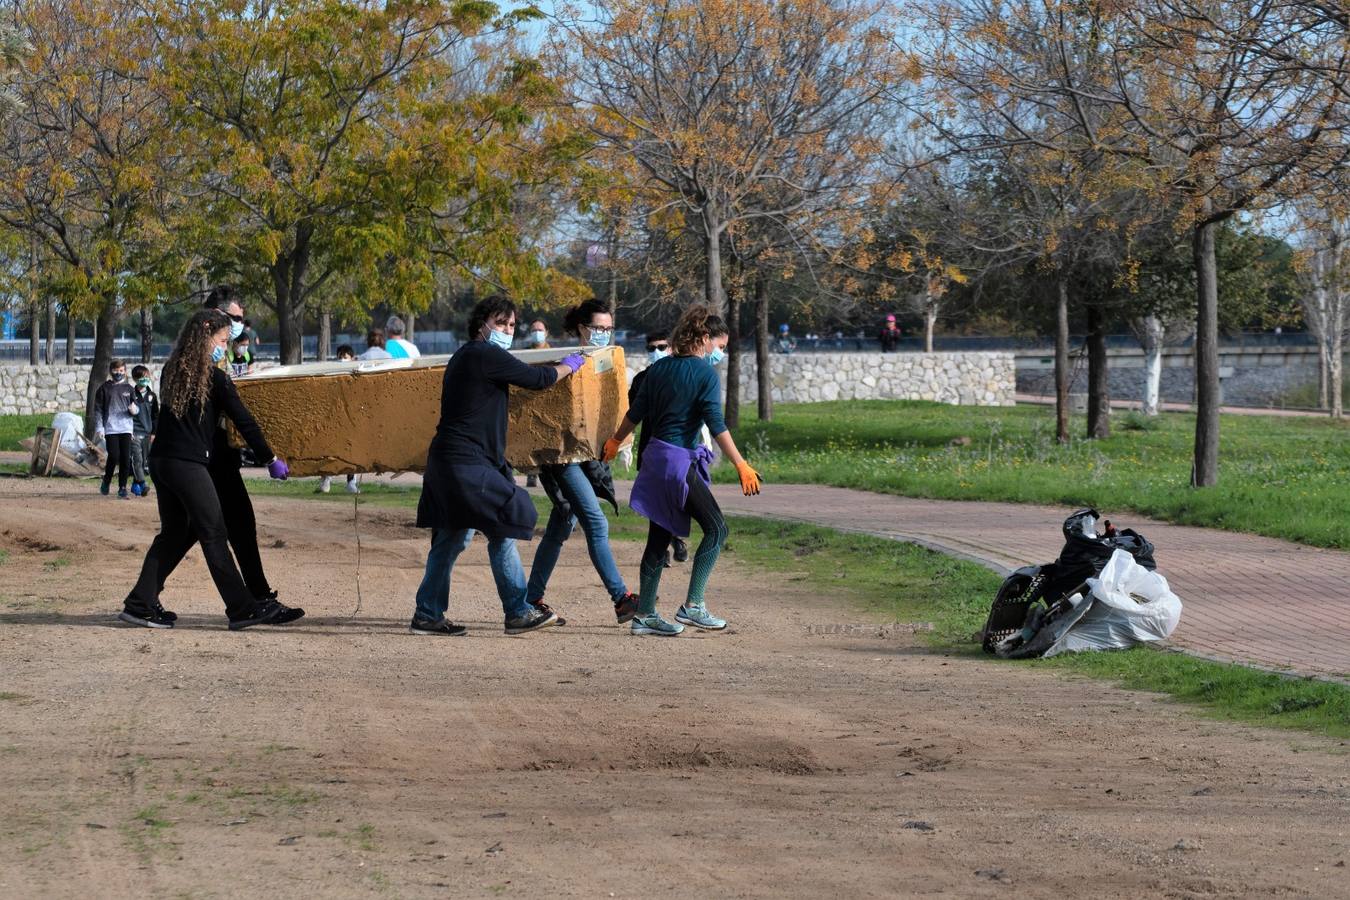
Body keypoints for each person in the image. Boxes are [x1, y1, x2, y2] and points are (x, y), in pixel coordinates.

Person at [411, 295, 585, 637]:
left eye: (511, 325)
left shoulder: (467, 356)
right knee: (506, 518)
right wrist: (569, 365)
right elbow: (537, 380)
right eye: (501, 322)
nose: (507, 329)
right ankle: (518, 611)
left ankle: (427, 614)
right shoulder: (483, 353)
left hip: (454, 460)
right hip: (463, 462)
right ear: (482, 324)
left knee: (452, 537)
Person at [119, 309, 302, 629]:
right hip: (188, 466)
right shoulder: (215, 378)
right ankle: (242, 608)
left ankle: (139, 603)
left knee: (175, 533)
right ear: (207, 337)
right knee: (215, 533)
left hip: (161, 460)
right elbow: (245, 422)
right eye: (220, 340)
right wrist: (270, 459)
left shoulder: (172, 371)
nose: (224, 346)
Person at [602, 305, 762, 636]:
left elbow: (635, 413)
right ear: (704, 338)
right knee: (717, 529)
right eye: (718, 346)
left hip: (654, 460)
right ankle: (694, 606)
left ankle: (644, 615)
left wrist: (616, 441)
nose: (718, 352)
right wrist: (741, 464)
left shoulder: (659, 369)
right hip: (678, 463)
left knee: (659, 538)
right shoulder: (704, 374)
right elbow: (716, 424)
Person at [524, 299, 640, 627]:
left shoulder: (605, 363)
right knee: (596, 522)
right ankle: (621, 599)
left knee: (562, 524)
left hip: (588, 458)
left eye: (608, 328)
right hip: (563, 458)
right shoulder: (565, 361)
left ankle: (530, 598)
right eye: (598, 328)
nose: (603, 333)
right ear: (581, 329)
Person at [627, 331, 687, 566]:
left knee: (677, 500)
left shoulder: (683, 375)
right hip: (651, 450)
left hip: (678, 451)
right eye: (651, 348)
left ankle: (674, 538)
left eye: (661, 346)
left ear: (672, 347)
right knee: (655, 504)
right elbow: (631, 414)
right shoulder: (642, 379)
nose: (656, 352)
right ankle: (660, 551)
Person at [95, 359, 135, 499]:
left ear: (125, 371)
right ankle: (106, 480)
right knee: (114, 455)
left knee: (125, 458)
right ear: (111, 371)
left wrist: (134, 410)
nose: (119, 373)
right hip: (110, 428)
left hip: (126, 428)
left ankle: (122, 487)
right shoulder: (104, 388)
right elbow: (98, 410)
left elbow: (135, 409)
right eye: (116, 370)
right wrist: (100, 428)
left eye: (121, 371)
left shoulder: (129, 389)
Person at [128, 365, 158, 497]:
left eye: (146, 376)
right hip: (134, 433)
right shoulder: (130, 395)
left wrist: (154, 433)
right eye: (141, 377)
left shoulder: (152, 396)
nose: (144, 379)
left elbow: (155, 416)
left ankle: (135, 485)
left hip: (147, 434)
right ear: (135, 379)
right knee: (137, 460)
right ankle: (142, 483)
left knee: (144, 460)